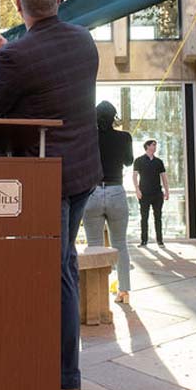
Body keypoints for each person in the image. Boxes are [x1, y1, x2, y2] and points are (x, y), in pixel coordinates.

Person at [0, 0, 100, 390]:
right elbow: (51, 86)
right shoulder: (83, 41)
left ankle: (65, 379)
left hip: (48, 181)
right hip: (82, 174)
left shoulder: (16, 58)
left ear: (19, 6)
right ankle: (61, 372)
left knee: (58, 272)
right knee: (64, 262)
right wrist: (9, 55)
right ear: (58, 0)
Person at [82, 100, 134, 304]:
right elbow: (129, 161)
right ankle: (124, 292)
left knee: (94, 246)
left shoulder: (88, 137)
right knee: (120, 244)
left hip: (92, 193)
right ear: (114, 117)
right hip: (116, 191)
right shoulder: (124, 137)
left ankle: (96, 295)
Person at [134, 140, 169, 247]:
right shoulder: (139, 160)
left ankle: (160, 240)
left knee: (158, 217)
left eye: (155, 145)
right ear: (147, 146)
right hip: (144, 194)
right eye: (153, 145)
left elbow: (163, 177)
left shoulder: (159, 161)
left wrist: (167, 191)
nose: (155, 147)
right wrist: (137, 190)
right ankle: (144, 241)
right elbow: (134, 176)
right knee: (144, 218)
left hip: (157, 194)